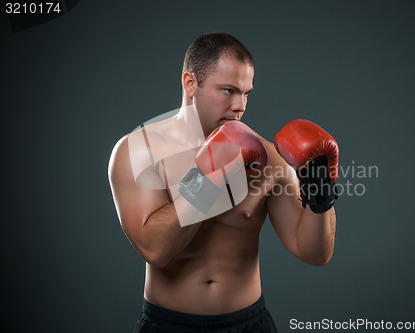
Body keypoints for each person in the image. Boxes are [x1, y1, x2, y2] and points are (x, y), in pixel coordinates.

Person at [108, 32, 339, 332]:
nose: (239, 106)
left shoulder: (267, 156)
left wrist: (321, 194)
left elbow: (315, 254)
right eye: (228, 91)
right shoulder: (138, 152)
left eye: (246, 93)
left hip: (248, 323)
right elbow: (155, 249)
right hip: (168, 324)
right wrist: (208, 176)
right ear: (191, 84)